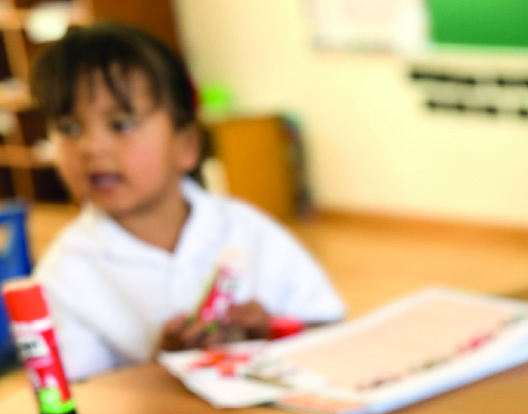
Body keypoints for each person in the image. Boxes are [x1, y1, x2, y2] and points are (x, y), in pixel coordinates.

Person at [29, 23, 344, 381]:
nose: (91, 147)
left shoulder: (246, 229)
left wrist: (273, 333)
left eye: (120, 124)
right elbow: (84, 400)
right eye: (69, 129)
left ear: (186, 146)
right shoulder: (64, 274)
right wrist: (165, 365)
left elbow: (330, 328)